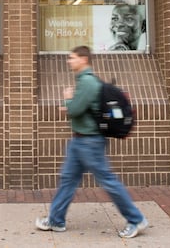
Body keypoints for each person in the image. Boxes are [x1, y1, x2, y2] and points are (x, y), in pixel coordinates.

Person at [35, 45, 148, 239]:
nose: (69, 61)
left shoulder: (87, 82)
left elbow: (76, 109)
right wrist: (71, 105)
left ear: (83, 59)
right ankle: (56, 219)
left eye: (72, 57)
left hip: (90, 142)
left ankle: (136, 219)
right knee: (68, 179)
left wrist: (68, 100)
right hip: (80, 141)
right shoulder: (83, 80)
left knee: (108, 181)